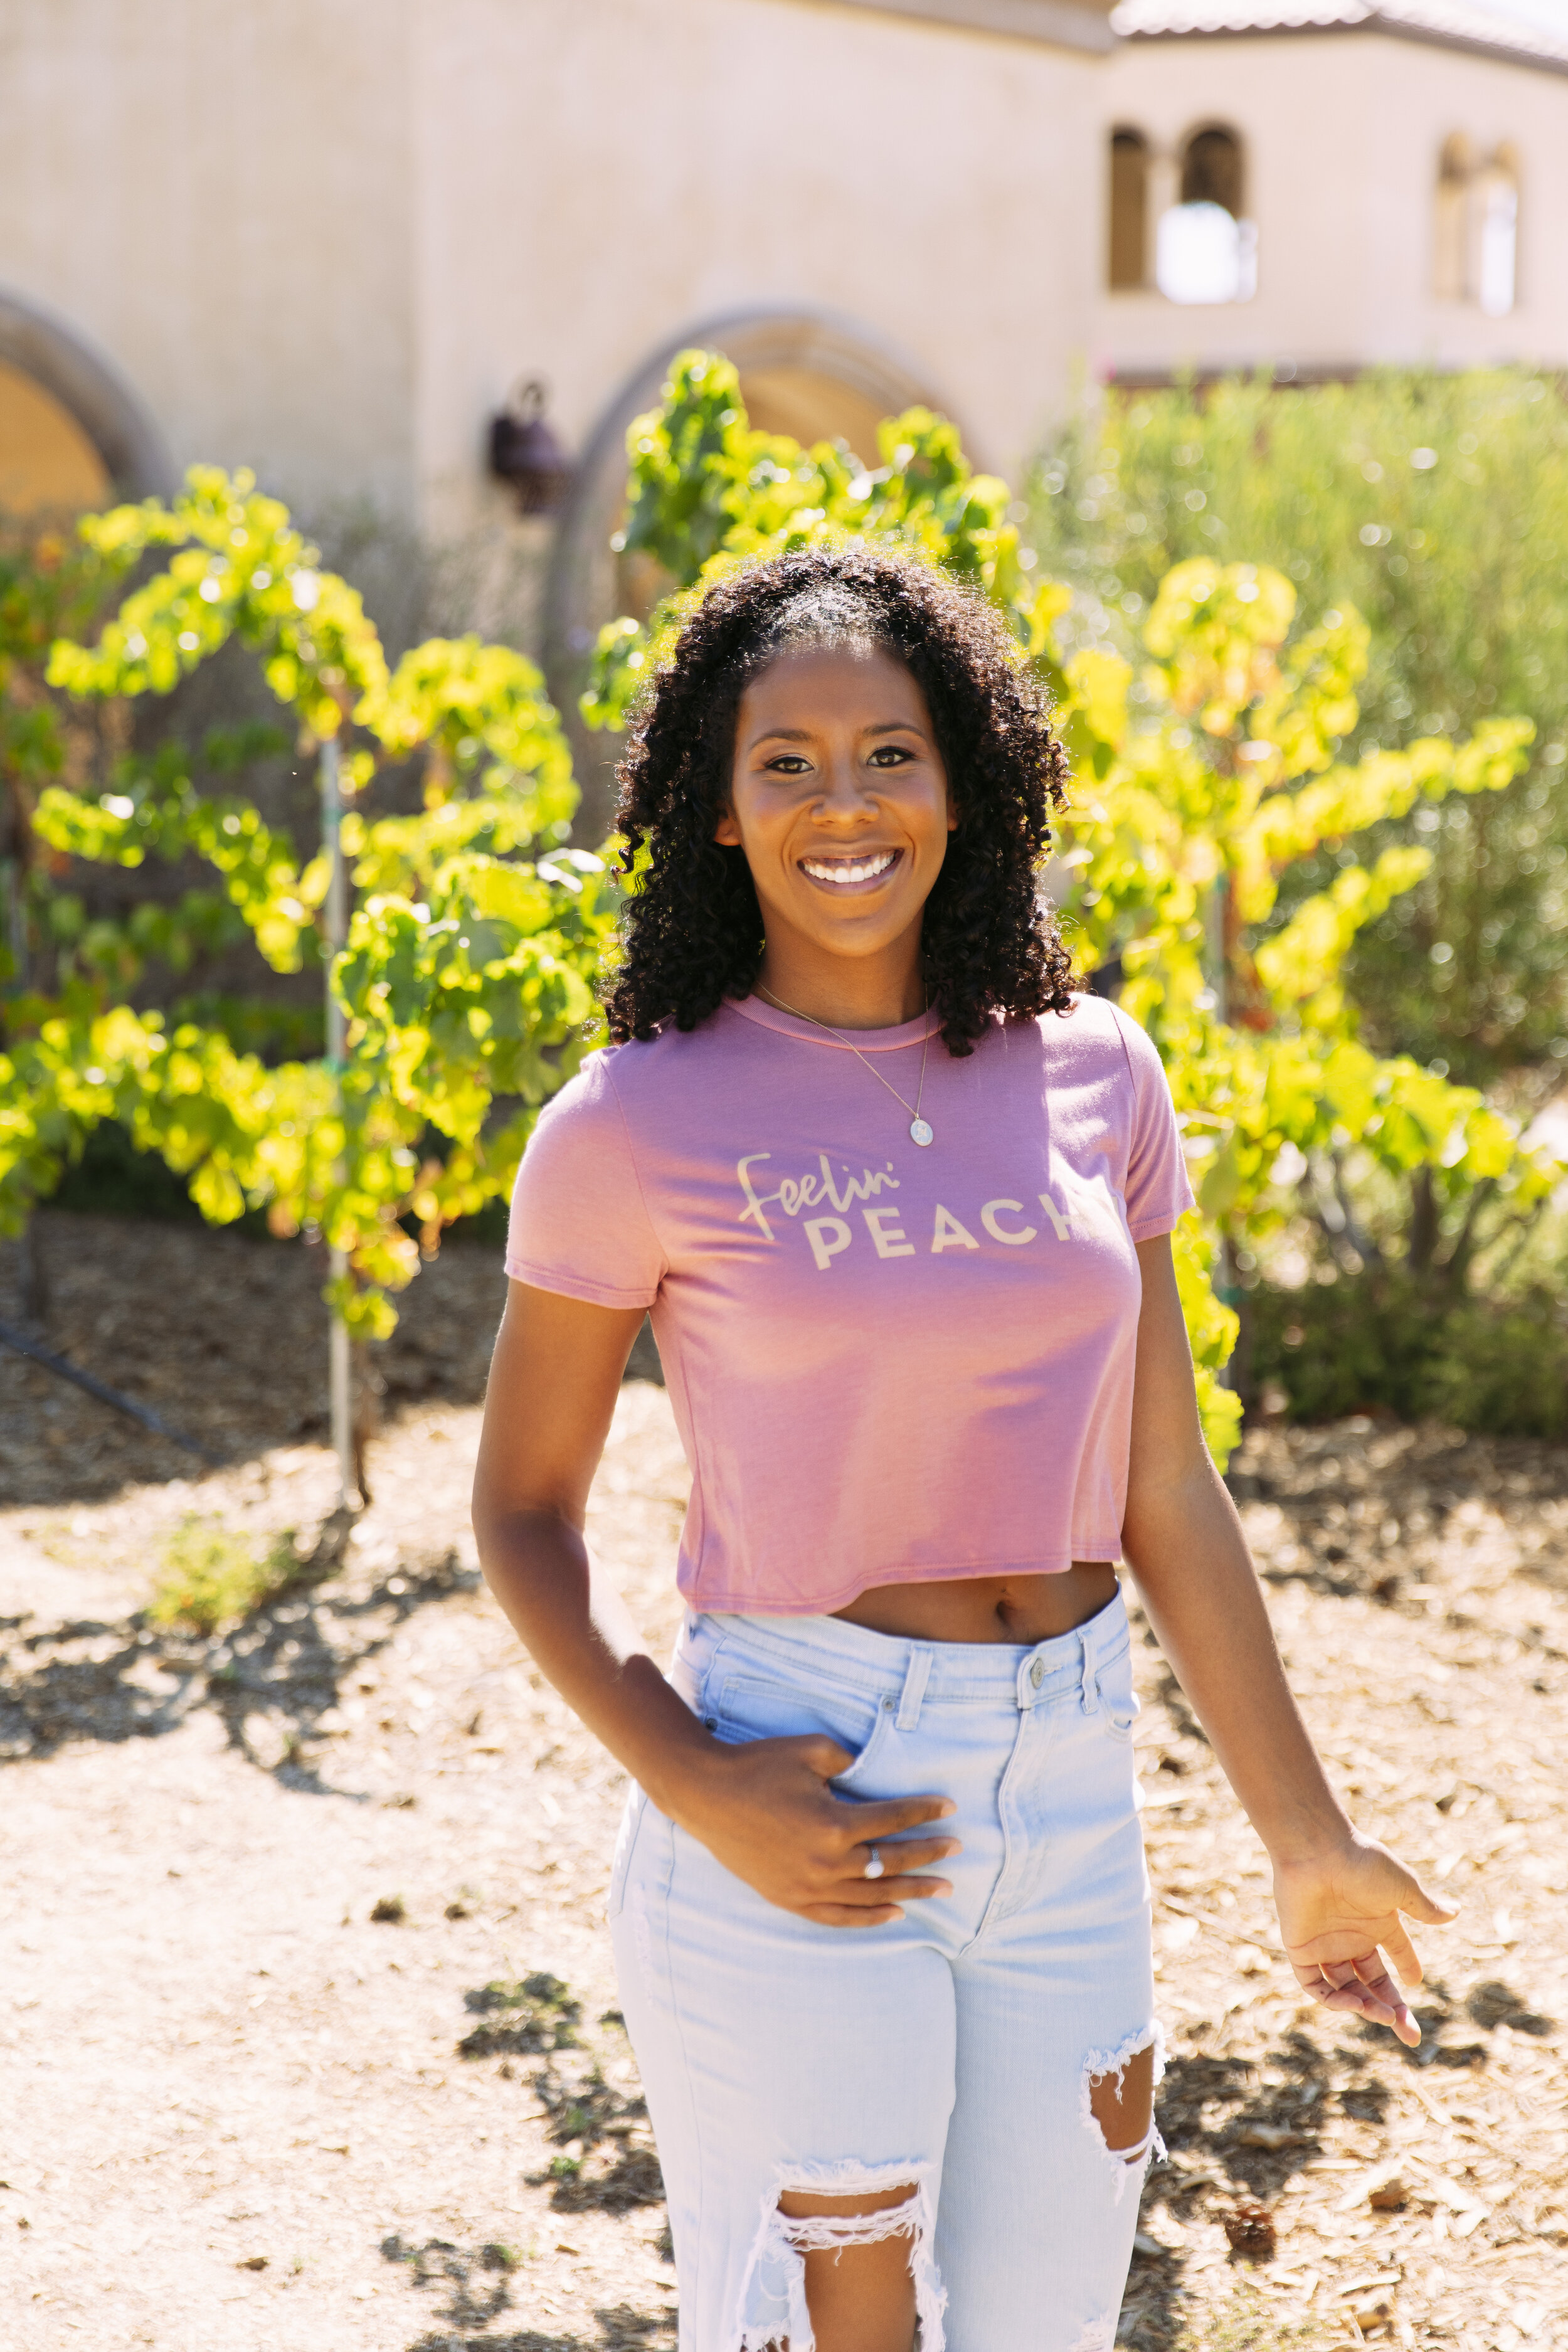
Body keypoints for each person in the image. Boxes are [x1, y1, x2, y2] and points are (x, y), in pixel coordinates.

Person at [472, 543, 1454, 2352]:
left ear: (968, 782)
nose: (842, 804)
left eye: (889, 754)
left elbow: (1164, 1488)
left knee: (1043, 2328)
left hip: (1070, 1795)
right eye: (785, 763)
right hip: (801, 1781)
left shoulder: (1095, 1071)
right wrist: (689, 1776)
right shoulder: (631, 1122)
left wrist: (1301, 1840)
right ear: (711, 808)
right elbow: (521, 1512)